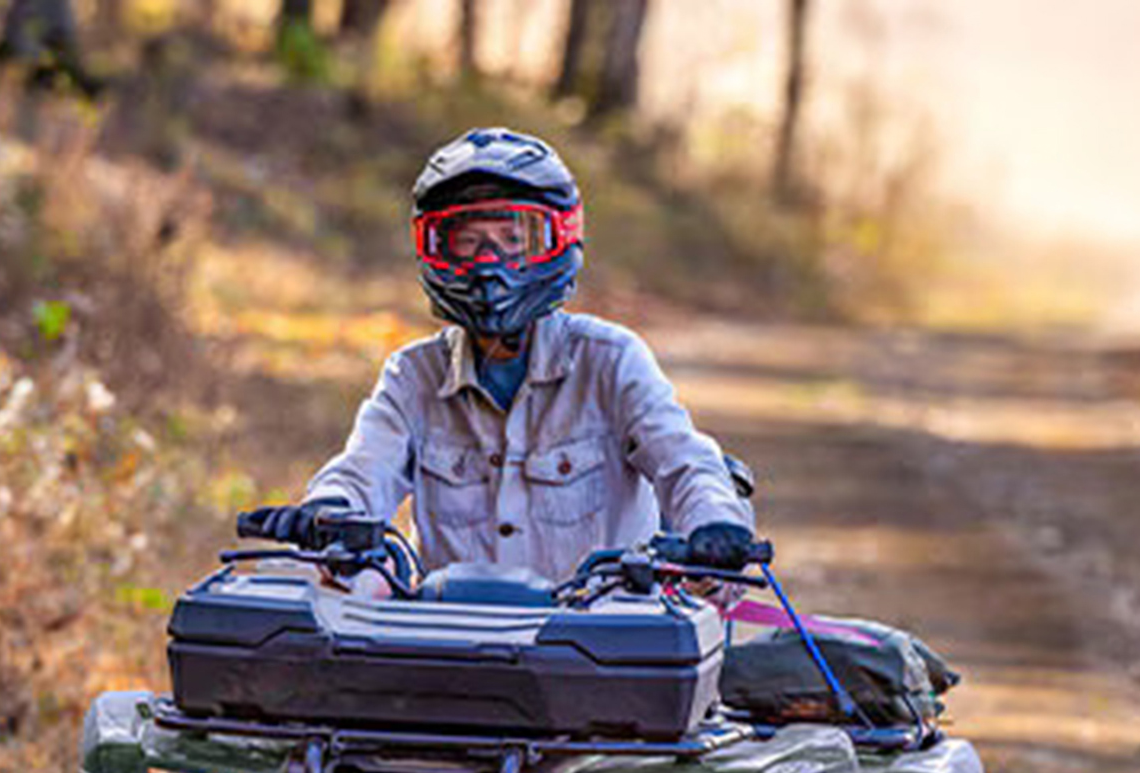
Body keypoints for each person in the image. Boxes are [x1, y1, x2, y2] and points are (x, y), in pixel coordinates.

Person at [242, 127, 758, 583]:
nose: (489, 265)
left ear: (560, 238)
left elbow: (686, 463)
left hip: (605, 647)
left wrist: (715, 526)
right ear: (433, 248)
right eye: (467, 242)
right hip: (452, 649)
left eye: (515, 239)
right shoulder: (413, 377)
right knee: (303, 596)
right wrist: (328, 512)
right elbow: (362, 469)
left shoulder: (611, 361)